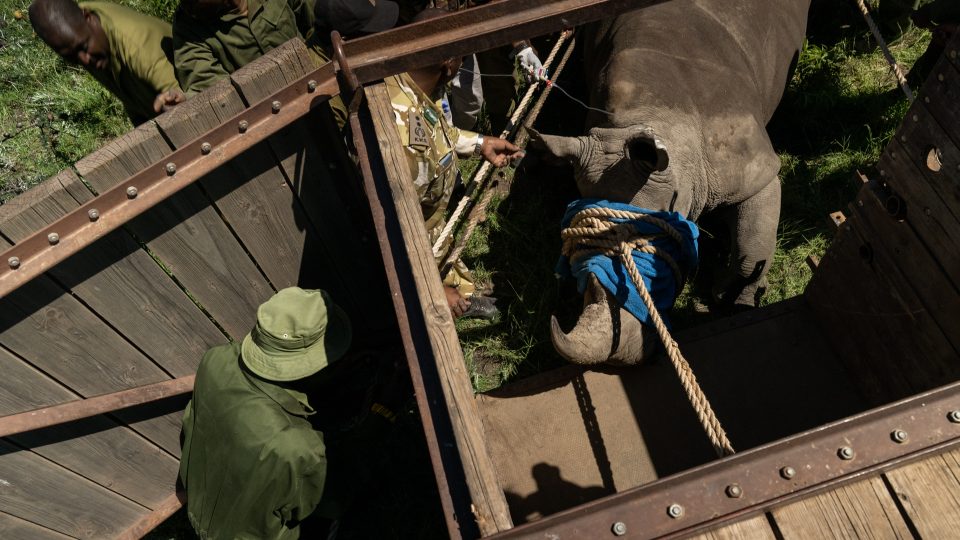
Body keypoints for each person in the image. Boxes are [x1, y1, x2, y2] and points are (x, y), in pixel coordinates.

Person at [179, 287, 396, 539]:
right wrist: (383, 411)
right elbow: (333, 499)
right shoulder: (297, 447)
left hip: (201, 505)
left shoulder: (215, 358)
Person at [387, 9, 523, 317]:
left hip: (432, 228)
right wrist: (432, 291)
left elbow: (438, 130)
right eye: (462, 59)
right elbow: (397, 234)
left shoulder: (408, 85)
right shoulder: (406, 142)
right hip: (416, 247)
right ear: (449, 65)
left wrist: (480, 143)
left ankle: (457, 286)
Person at [28, 0, 184, 124]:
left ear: (88, 18)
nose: (84, 60)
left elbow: (189, 106)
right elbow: (130, 99)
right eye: (71, 55)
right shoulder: (81, 32)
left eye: (84, 46)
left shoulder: (140, 48)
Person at [173, 0, 317, 95]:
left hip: (319, 77)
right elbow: (210, 90)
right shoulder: (188, 29)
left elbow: (320, 17)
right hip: (269, 118)